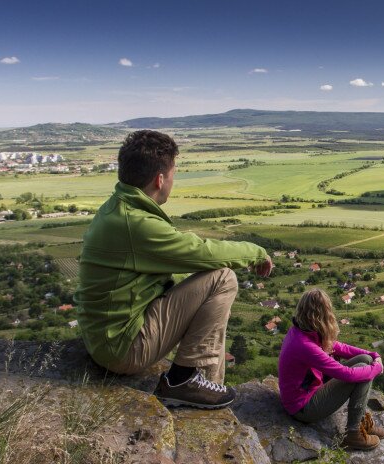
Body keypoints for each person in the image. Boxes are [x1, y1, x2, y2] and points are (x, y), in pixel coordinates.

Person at [75, 130, 273, 409]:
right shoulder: (135, 223)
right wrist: (256, 252)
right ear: (160, 179)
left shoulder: (116, 209)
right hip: (123, 348)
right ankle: (183, 380)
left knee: (211, 280)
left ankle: (204, 383)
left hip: (107, 338)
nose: (172, 181)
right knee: (222, 278)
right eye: (173, 174)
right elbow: (203, 253)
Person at [278, 288, 384, 450]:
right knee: (364, 372)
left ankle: (362, 421)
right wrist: (376, 368)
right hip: (303, 407)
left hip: (309, 391)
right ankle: (353, 433)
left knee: (366, 360)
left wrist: (371, 354)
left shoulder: (301, 330)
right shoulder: (304, 345)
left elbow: (336, 346)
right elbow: (347, 374)